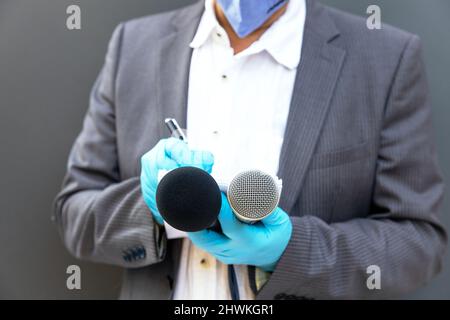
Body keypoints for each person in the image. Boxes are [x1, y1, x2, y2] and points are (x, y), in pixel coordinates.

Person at [54, 0, 447, 299]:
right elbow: (74, 214)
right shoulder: (134, 46)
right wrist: (157, 206)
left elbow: (418, 243)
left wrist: (291, 248)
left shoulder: (385, 59)